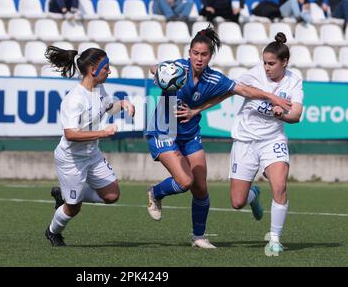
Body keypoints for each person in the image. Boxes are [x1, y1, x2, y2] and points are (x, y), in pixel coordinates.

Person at [145, 27, 292, 249]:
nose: (198, 58)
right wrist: (159, 72)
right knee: (185, 181)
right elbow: (155, 68)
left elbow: (243, 90)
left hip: (190, 134)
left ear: (210, 56)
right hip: (163, 131)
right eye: (195, 53)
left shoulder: (214, 78)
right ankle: (155, 193)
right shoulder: (178, 68)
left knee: (201, 187)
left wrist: (272, 97)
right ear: (189, 53)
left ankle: (199, 237)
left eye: (203, 54)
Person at [194, 32, 303, 255]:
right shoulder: (253, 76)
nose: (266, 67)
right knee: (237, 202)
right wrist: (198, 108)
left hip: (273, 140)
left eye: (271, 63)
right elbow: (224, 94)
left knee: (280, 186)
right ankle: (253, 194)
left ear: (284, 62)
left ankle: (274, 239)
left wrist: (282, 115)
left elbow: (297, 115)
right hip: (245, 141)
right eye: (264, 62)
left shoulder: (294, 80)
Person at [44, 46, 135, 247]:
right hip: (71, 160)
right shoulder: (75, 98)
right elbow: (71, 134)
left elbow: (108, 106)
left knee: (112, 195)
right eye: (106, 68)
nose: (109, 71)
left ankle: (66, 193)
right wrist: (103, 133)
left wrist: (124, 104)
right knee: (73, 208)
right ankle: (52, 231)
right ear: (93, 69)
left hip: (92, 154)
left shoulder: (98, 89)